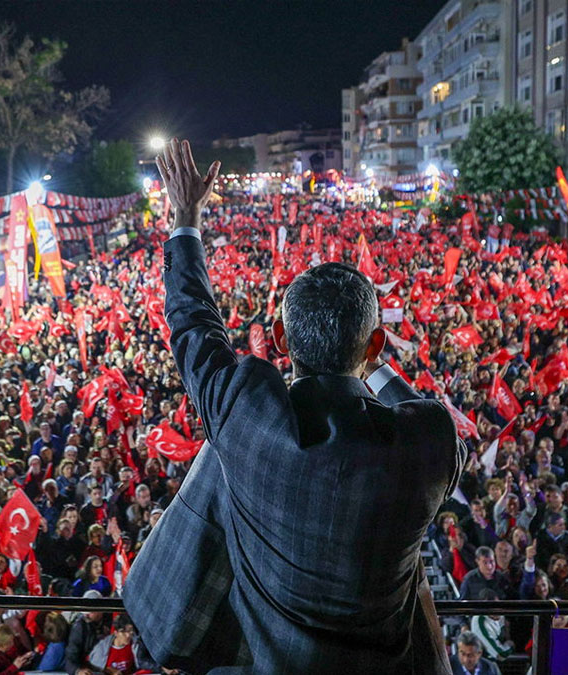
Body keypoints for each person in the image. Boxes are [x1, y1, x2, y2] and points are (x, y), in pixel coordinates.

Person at [125, 139, 462, 674]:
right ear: (377, 346)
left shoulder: (249, 420)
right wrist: (371, 361)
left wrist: (185, 219)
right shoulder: (430, 443)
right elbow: (418, 409)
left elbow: (192, 322)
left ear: (279, 340)